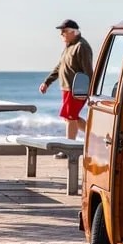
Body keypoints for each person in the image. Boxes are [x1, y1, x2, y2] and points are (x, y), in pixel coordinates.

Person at [39, 19, 94, 153]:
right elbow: (60, 66)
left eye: (63, 32)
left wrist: (91, 91)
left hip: (76, 89)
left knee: (70, 117)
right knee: (69, 117)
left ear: (72, 32)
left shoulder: (82, 46)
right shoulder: (69, 46)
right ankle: (94, 137)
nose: (61, 34)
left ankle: (68, 150)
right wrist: (47, 82)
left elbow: (88, 70)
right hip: (66, 88)